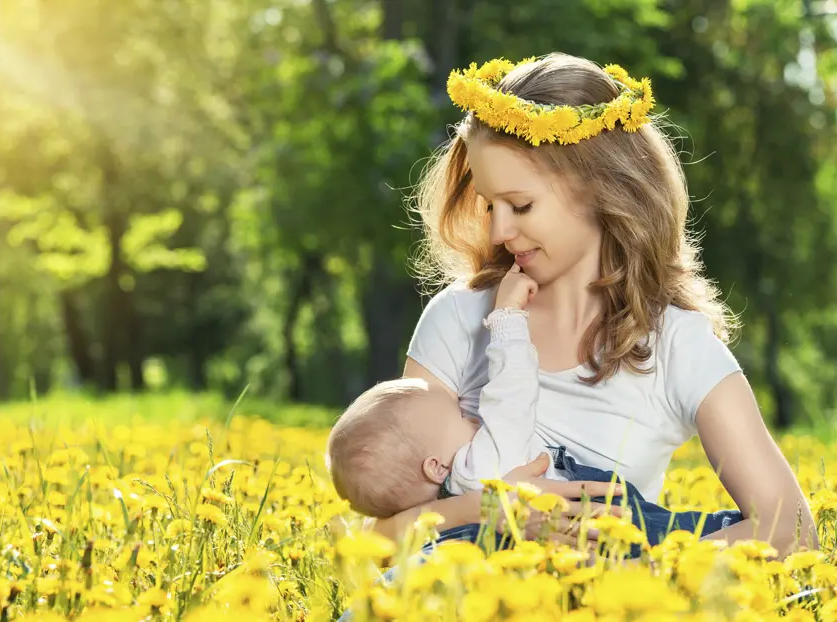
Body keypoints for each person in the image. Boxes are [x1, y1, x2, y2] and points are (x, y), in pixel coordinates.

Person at [367, 52, 817, 558]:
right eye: (490, 205)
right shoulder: (460, 318)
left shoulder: (677, 347)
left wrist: (639, 579)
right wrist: (491, 509)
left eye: (521, 205)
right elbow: (379, 538)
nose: (498, 231)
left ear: (602, 187)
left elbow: (793, 531)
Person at [327, 263, 742, 554]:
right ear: (435, 467)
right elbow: (512, 396)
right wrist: (507, 322)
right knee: (676, 534)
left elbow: (380, 539)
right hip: (603, 527)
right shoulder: (481, 466)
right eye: (459, 416)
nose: (471, 414)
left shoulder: (440, 510)